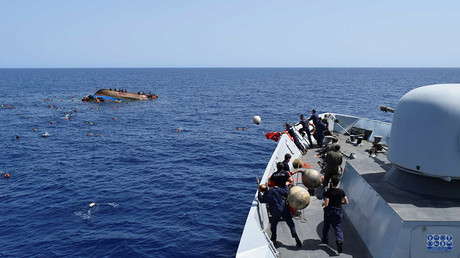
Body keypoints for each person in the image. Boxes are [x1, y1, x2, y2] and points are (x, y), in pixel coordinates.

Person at [322, 178, 349, 254]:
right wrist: (341, 203)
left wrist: (323, 205)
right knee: (337, 227)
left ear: (331, 183)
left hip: (329, 211)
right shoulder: (341, 191)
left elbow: (326, 204)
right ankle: (339, 240)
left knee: (326, 225)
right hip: (338, 211)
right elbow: (347, 202)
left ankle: (325, 239)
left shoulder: (328, 192)